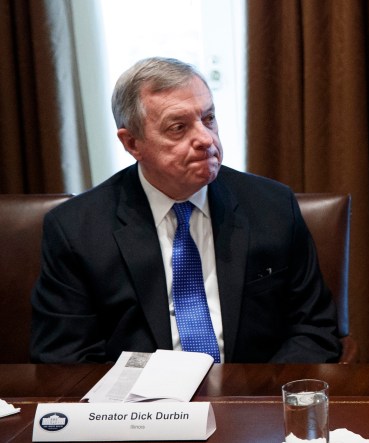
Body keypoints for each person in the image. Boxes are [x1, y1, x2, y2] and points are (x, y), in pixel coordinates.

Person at [30, 57, 341, 364]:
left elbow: (313, 329)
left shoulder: (272, 207)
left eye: (208, 119)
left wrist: (258, 404)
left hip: (253, 401)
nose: (206, 139)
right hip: (136, 408)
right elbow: (65, 359)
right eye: (178, 127)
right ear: (132, 143)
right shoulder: (76, 229)